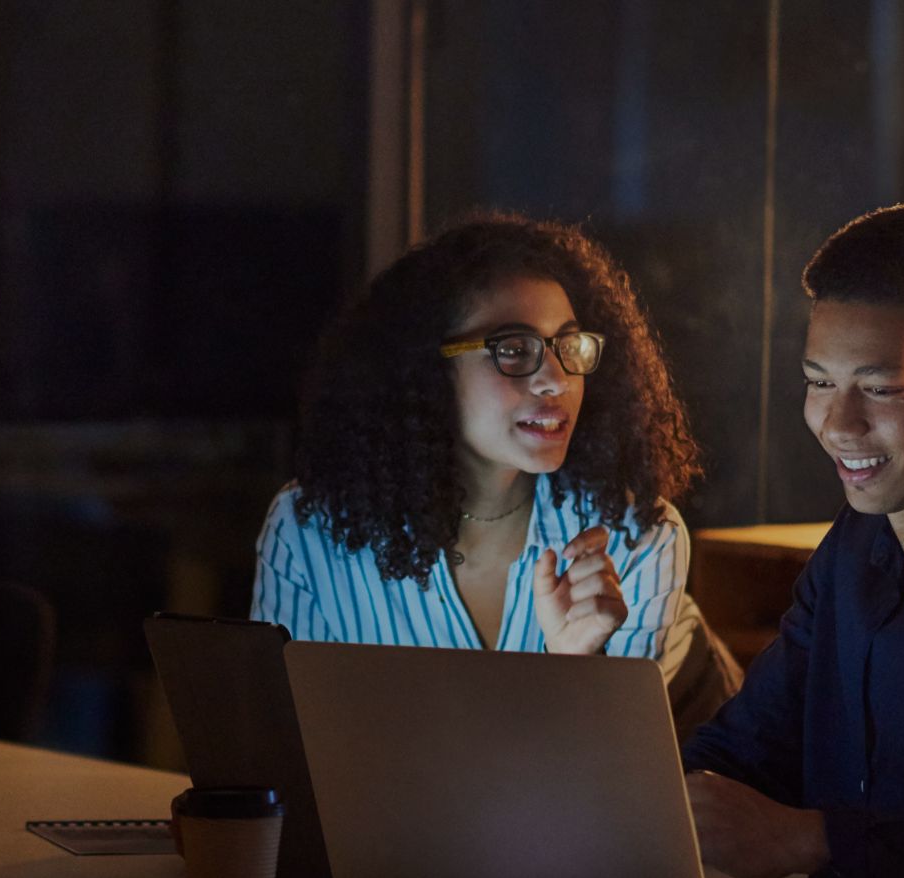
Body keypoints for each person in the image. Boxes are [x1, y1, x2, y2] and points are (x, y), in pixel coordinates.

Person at [250, 210, 729, 725]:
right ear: (426, 371)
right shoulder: (308, 531)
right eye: (513, 349)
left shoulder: (635, 540)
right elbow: (281, 750)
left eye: (568, 345)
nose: (556, 380)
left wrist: (575, 665)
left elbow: (605, 791)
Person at [684, 203, 904, 878]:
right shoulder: (854, 546)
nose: (839, 424)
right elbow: (748, 749)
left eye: (880, 388)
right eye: (818, 382)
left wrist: (811, 840)